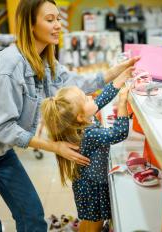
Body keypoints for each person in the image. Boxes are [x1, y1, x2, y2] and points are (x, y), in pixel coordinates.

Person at [0, 0, 139, 231]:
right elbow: (3, 128)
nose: (58, 25)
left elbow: (77, 84)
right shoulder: (10, 65)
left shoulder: (45, 61)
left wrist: (116, 72)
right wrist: (55, 146)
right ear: (30, 24)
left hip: (2, 151)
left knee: (32, 215)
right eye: (50, 19)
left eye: (58, 18)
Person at [41, 67, 131, 231]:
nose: (91, 97)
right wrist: (123, 102)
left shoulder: (82, 122)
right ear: (80, 117)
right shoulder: (88, 133)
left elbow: (100, 100)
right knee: (93, 224)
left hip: (90, 183)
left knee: (92, 222)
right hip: (91, 188)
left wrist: (120, 80)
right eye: (87, 99)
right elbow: (119, 133)